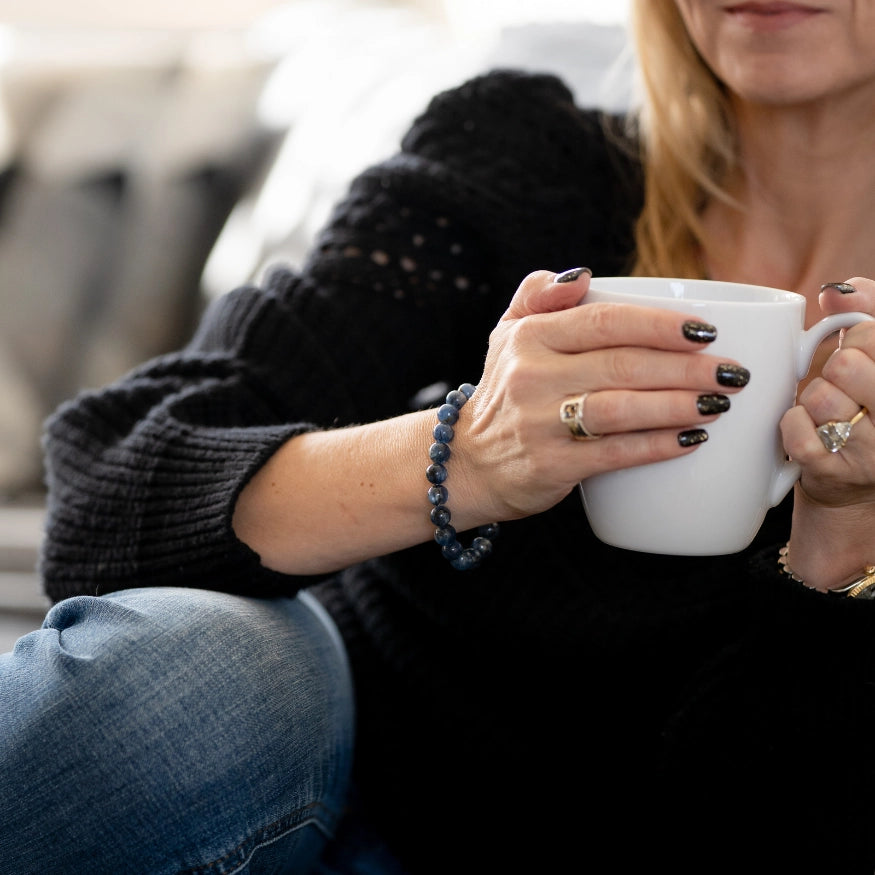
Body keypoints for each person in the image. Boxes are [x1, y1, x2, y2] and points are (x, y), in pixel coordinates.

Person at [3, 0, 875, 871]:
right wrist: (472, 456)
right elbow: (106, 490)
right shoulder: (522, 161)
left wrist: (839, 549)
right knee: (177, 670)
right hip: (340, 777)